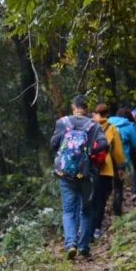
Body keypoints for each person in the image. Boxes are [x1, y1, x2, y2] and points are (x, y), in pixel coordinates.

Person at [50, 95, 108, 259]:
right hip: (85, 173)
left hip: (65, 173)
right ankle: (83, 246)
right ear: (87, 109)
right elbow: (104, 144)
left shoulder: (62, 122)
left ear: (73, 106)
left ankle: (70, 244)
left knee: (68, 210)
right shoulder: (93, 125)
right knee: (86, 210)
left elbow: (54, 144)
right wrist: (89, 152)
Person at [91, 103, 125, 238]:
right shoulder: (112, 129)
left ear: (95, 113)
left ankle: (86, 229)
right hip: (106, 168)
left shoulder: (89, 127)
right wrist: (121, 167)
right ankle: (97, 228)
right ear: (107, 114)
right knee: (101, 200)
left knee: (90, 199)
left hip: (89, 168)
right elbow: (118, 152)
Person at [108, 108, 136, 215]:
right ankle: (117, 211)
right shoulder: (128, 126)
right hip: (120, 161)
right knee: (118, 187)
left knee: (105, 187)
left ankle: (99, 215)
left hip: (105, 160)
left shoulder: (106, 124)